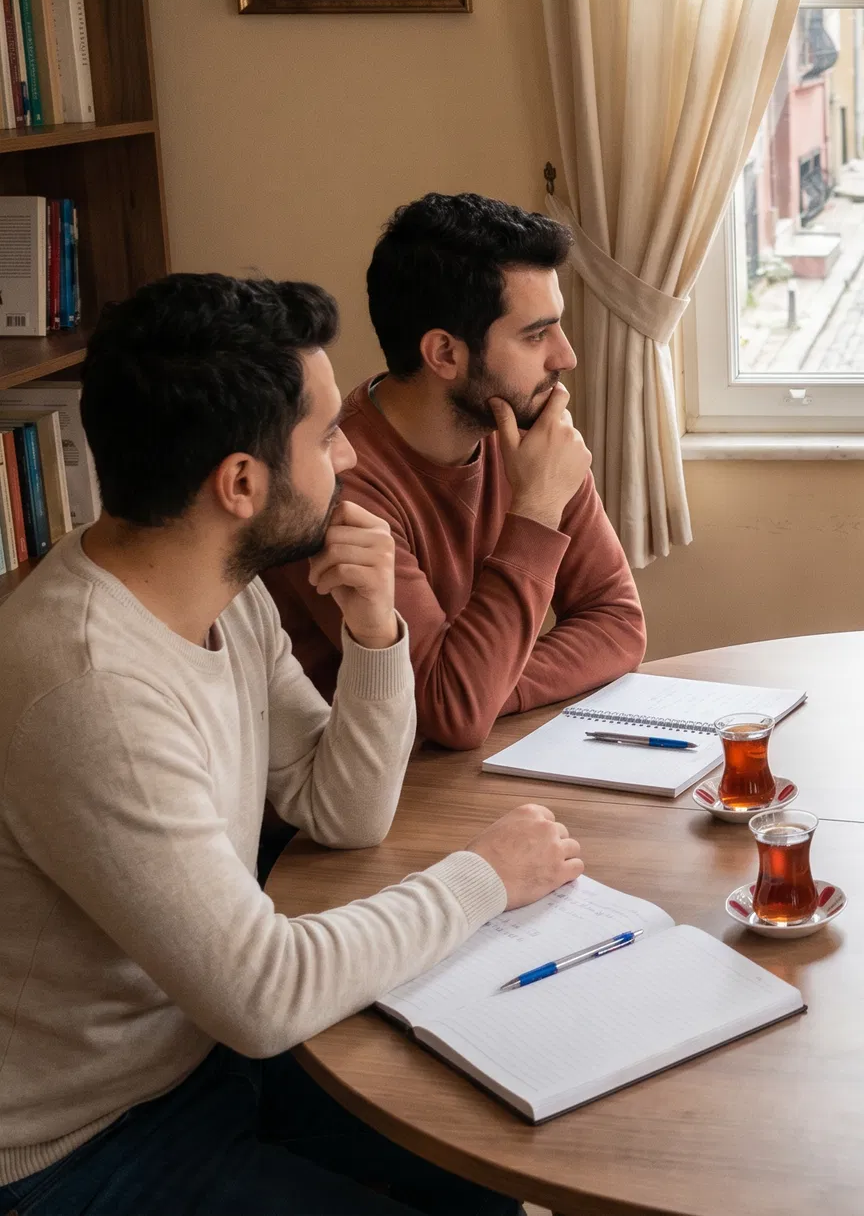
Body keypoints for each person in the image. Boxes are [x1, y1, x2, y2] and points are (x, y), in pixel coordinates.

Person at [0, 273, 584, 1213]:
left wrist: (376, 634)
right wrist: (486, 876)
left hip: (203, 1059)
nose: (350, 454)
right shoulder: (92, 691)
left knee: (488, 1178)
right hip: (82, 1145)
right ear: (241, 484)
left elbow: (341, 812)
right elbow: (266, 993)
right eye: (325, 436)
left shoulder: (227, 596)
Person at [267, 192, 647, 753]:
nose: (565, 356)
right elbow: (450, 712)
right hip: (356, 812)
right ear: (445, 353)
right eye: (536, 334)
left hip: (465, 772)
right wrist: (536, 508)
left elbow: (618, 624)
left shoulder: (529, 435)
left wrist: (482, 686)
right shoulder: (335, 483)